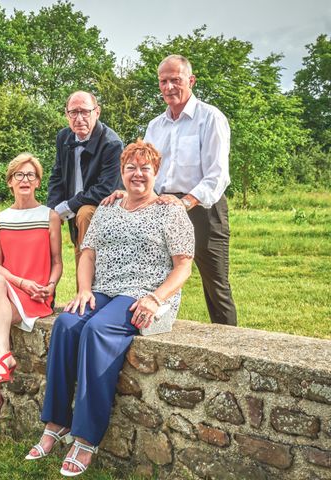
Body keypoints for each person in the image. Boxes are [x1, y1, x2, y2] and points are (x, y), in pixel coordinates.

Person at [26, 140, 194, 476]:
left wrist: (155, 298)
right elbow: (88, 253)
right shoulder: (108, 208)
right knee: (67, 324)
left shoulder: (170, 211)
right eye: (130, 167)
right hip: (103, 289)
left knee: (97, 330)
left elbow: (183, 266)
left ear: (155, 172)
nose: (137, 174)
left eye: (145, 168)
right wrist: (84, 289)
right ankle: (57, 421)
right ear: (121, 171)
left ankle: (86, 437)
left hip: (145, 294)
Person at [104, 54, 237, 326]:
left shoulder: (210, 118)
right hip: (162, 207)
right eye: (163, 81)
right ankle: (151, 332)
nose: (169, 87)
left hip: (203, 209)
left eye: (175, 80)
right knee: (156, 275)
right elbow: (147, 170)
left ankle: (229, 346)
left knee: (216, 284)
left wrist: (186, 202)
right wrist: (128, 194)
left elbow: (217, 175)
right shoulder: (155, 125)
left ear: (191, 80)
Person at [0, 153, 63, 437]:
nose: (24, 180)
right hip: (9, 290)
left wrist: (49, 285)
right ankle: (5, 359)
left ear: (38, 182)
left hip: (38, 295)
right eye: (19, 175)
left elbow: (57, 261)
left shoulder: (49, 216)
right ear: (10, 182)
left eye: (30, 175)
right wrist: (22, 283)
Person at [47, 91, 124, 269]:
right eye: (74, 112)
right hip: (74, 208)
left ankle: (88, 292)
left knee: (85, 213)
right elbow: (57, 176)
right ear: (66, 115)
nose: (79, 118)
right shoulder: (63, 137)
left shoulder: (112, 143)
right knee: (46, 221)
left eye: (85, 112)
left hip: (104, 209)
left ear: (97, 112)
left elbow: (105, 190)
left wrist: (67, 206)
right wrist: (52, 211)